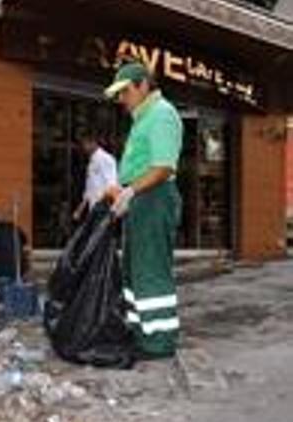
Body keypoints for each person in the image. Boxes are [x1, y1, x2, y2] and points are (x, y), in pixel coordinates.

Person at [104, 61, 183, 360]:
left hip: (154, 198)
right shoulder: (145, 117)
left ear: (142, 85)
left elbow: (163, 167)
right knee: (135, 270)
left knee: (150, 270)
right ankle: (142, 334)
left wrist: (131, 190)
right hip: (143, 198)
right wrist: (127, 191)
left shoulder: (161, 115)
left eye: (125, 92)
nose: (121, 99)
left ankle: (159, 341)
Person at [72, 134, 118, 222]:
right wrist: (80, 209)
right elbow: (89, 188)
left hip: (103, 205)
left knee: (100, 234)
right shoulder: (92, 161)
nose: (83, 147)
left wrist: (113, 208)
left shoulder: (105, 159)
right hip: (94, 207)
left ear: (93, 143)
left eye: (85, 144)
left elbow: (112, 184)